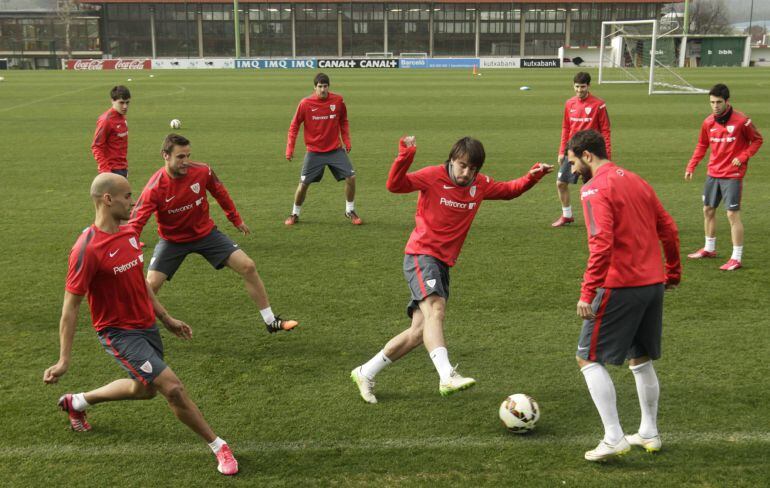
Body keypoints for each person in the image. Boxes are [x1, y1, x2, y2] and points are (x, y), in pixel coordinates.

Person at [43, 173, 239, 476]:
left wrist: (165, 317)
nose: (133, 202)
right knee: (172, 388)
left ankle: (77, 402)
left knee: (146, 390)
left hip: (146, 325)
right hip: (118, 333)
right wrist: (64, 359)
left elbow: (139, 283)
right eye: (126, 196)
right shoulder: (87, 248)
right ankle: (219, 445)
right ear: (108, 200)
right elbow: (70, 307)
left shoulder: (130, 234)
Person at [351, 135, 552, 403]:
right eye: (462, 166)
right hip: (422, 255)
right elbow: (395, 185)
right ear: (452, 161)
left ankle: (365, 371)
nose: (466, 173)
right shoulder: (432, 176)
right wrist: (405, 155)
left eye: (473, 169)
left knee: (418, 333)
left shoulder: (480, 184)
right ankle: (447, 375)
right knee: (436, 309)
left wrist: (532, 176)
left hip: (442, 263)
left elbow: (509, 190)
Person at [566, 130, 681, 462]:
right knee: (640, 356)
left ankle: (614, 437)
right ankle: (649, 432)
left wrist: (588, 292)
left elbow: (601, 243)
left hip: (621, 285)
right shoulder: (636, 180)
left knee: (587, 357)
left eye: (573, 162)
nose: (572, 171)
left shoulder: (594, 189)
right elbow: (669, 228)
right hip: (652, 283)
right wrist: (672, 272)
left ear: (587, 155)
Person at [128, 134, 297, 334]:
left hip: (205, 234)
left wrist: (236, 219)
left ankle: (270, 321)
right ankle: (136, 329)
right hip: (172, 241)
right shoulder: (154, 188)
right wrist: (127, 249)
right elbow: (135, 223)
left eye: (188, 156)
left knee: (248, 266)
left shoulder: (202, 171)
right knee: (151, 285)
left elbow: (220, 192)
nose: (186, 162)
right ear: (165, 155)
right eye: (180, 157)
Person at [685, 83, 763, 271]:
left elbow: (757, 140)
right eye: (712, 102)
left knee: (732, 214)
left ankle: (736, 258)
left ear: (727, 101)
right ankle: (709, 248)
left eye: (718, 102)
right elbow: (702, 145)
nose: (715, 106)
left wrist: (743, 157)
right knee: (708, 210)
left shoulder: (742, 121)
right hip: (713, 172)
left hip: (733, 174)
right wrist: (691, 165)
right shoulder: (708, 122)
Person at [284, 72, 361, 226]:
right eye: (320, 87)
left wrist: (347, 140)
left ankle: (349, 210)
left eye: (325, 86)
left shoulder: (338, 101)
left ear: (328, 87)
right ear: (314, 87)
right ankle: (294, 213)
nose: (323, 90)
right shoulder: (305, 103)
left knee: (351, 177)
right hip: (314, 151)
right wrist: (289, 149)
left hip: (335, 150)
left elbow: (344, 121)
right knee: (303, 184)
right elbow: (294, 126)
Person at [552, 72, 611, 228]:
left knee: (592, 189)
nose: (579, 90)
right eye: (577, 87)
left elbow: (605, 130)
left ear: (588, 86)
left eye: (582, 87)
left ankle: (595, 219)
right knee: (561, 183)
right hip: (572, 152)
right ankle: (567, 215)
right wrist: (561, 151)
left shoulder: (599, 104)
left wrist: (606, 155)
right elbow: (566, 128)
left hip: (591, 154)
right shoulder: (569, 103)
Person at [91, 85, 131, 177]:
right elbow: (96, 147)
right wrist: (105, 171)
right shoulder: (106, 120)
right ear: (112, 101)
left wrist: (124, 169)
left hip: (122, 169)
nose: (125, 106)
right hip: (111, 170)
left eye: (127, 102)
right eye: (121, 103)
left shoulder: (122, 117)